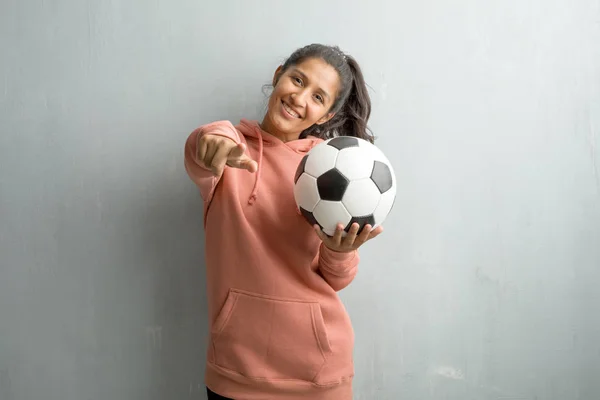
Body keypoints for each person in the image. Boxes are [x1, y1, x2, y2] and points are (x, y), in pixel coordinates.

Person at [184, 43, 383, 400]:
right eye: (297, 80)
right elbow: (203, 147)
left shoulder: (329, 170)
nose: (300, 97)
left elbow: (335, 279)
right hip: (236, 370)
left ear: (324, 116)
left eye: (318, 97)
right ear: (278, 77)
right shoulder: (230, 151)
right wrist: (211, 142)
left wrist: (339, 253)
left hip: (318, 374)